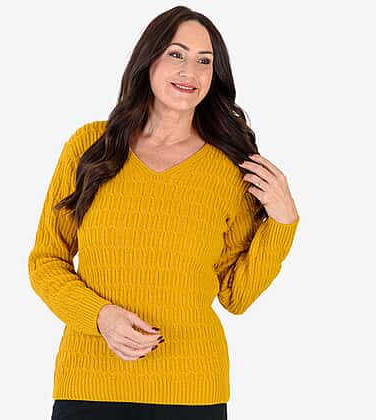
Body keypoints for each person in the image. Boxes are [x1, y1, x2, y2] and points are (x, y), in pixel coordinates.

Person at [28, 5, 300, 420]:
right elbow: (46, 262)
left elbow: (236, 295)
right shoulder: (90, 147)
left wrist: (282, 223)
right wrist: (99, 317)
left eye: (204, 61)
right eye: (176, 54)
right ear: (148, 59)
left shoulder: (229, 169)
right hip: (90, 386)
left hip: (192, 390)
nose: (190, 71)